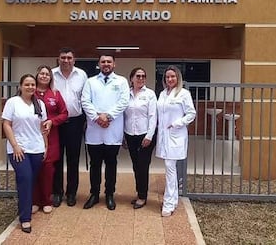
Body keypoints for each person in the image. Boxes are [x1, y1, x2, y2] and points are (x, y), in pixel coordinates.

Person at [80, 54, 130, 210]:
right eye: (103, 62)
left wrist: (107, 116)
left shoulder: (121, 81)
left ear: (114, 64)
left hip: (112, 129)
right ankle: (94, 194)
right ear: (99, 64)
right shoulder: (90, 82)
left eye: (109, 61)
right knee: (95, 165)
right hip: (95, 130)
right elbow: (85, 101)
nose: (106, 64)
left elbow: (124, 101)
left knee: (111, 164)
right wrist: (97, 118)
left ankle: (109, 194)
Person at [1, 74, 48, 233]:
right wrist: (15, 145)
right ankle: (25, 218)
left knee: (28, 181)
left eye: (33, 84)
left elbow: (43, 128)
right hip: (18, 150)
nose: (30, 87)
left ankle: (24, 206)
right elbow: (6, 124)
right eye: (27, 84)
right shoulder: (12, 102)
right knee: (26, 178)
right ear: (20, 86)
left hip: (37, 148)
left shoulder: (40, 103)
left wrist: (46, 146)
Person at [155, 65, 196, 217]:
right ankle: (173, 199)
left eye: (173, 76)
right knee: (169, 167)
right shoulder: (162, 94)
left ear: (178, 78)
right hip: (164, 136)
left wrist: (176, 123)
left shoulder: (184, 94)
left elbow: (191, 114)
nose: (170, 79)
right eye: (167, 77)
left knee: (170, 167)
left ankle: (169, 202)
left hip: (176, 134)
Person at [51, 47, 88, 207]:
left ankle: (71, 193)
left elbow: (85, 98)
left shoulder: (82, 75)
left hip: (75, 121)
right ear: (58, 59)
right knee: (56, 159)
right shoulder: (51, 74)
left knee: (73, 159)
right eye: (63, 57)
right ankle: (57, 193)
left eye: (69, 58)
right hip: (56, 123)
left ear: (74, 60)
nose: (66, 60)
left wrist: (86, 120)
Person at [32, 65, 68, 214]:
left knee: (47, 169)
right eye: (42, 73)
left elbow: (65, 113)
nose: (44, 76)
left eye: (47, 74)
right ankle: (34, 200)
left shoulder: (55, 94)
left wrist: (52, 121)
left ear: (50, 78)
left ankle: (47, 200)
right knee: (33, 168)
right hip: (32, 136)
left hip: (51, 137)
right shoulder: (29, 92)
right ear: (37, 75)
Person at [123, 67, 157, 209]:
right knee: (136, 166)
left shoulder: (150, 94)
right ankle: (139, 193)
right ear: (131, 78)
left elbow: (153, 116)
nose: (141, 78)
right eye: (138, 76)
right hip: (130, 135)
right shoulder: (126, 94)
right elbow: (123, 116)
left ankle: (142, 196)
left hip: (145, 135)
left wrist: (149, 135)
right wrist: (123, 136)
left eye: (143, 76)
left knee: (143, 166)